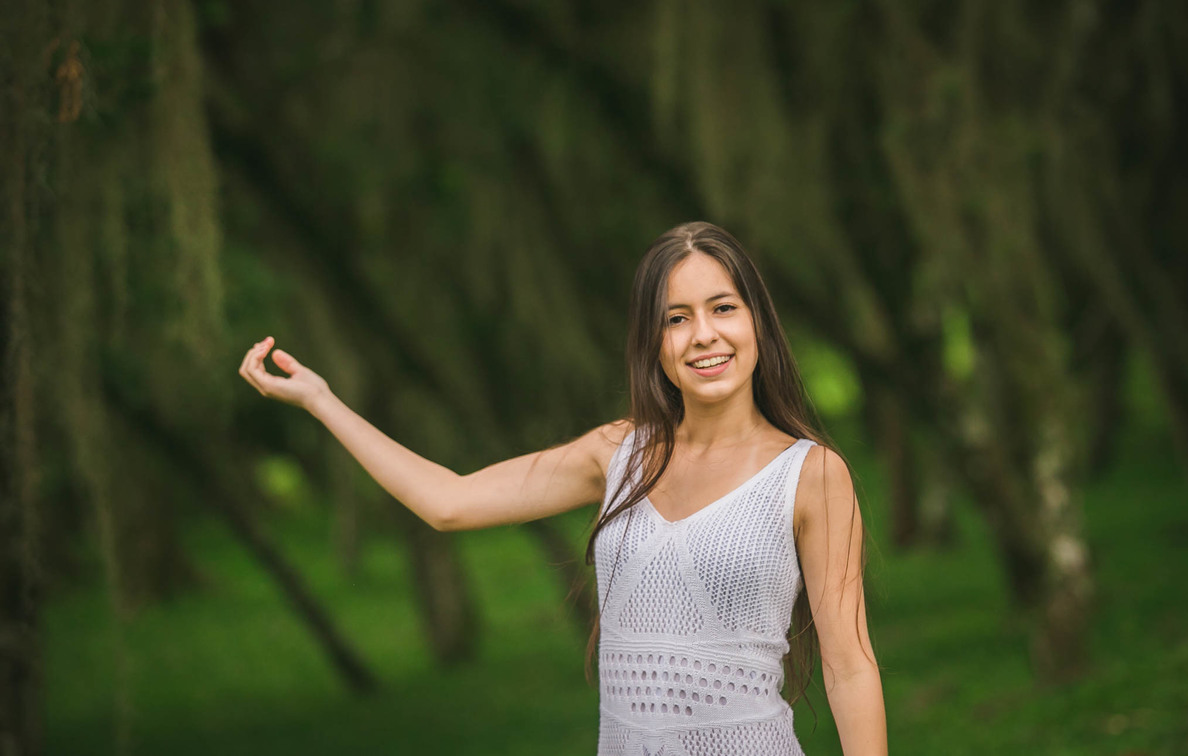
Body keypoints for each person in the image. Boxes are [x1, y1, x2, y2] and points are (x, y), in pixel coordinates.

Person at [238, 221, 887, 755]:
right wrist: (322, 401)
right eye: (677, 318)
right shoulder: (617, 454)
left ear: (757, 323)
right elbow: (449, 503)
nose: (704, 335)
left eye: (723, 309)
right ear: (652, 343)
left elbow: (850, 665)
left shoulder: (810, 475)